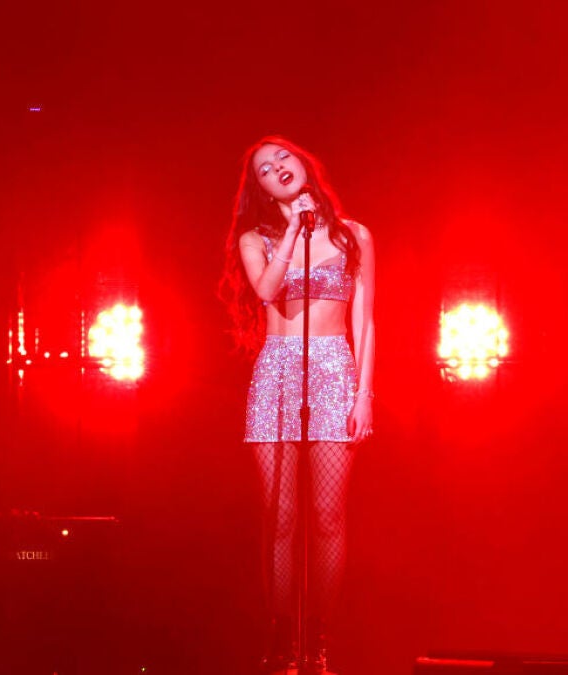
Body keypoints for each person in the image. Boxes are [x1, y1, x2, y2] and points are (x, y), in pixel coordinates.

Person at [219, 136, 375, 674]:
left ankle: (320, 635)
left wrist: (364, 393)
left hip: (334, 370)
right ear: (261, 189)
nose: (277, 168)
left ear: (303, 163)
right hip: (278, 373)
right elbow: (266, 290)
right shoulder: (256, 239)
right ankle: (283, 631)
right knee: (280, 520)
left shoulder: (354, 235)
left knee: (328, 518)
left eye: (283, 157)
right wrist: (292, 231)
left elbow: (366, 319)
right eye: (265, 169)